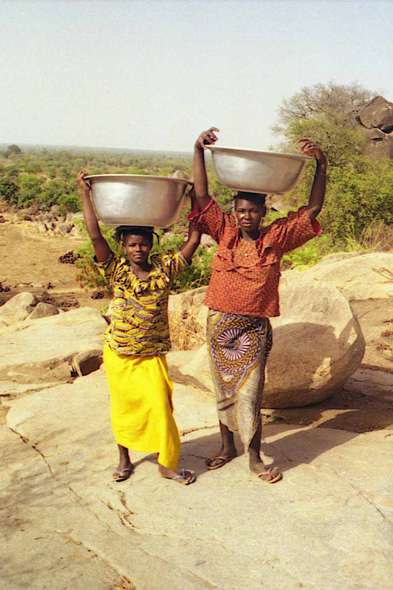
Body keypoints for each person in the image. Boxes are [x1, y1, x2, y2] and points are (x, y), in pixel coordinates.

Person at [190, 128, 327, 483]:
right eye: (239, 210)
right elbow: (202, 196)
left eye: (252, 210)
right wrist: (198, 151)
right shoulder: (224, 233)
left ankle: (253, 455)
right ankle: (226, 446)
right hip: (219, 323)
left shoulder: (275, 239)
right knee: (222, 389)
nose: (245, 216)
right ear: (233, 213)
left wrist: (321, 167)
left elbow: (312, 209)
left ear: (264, 212)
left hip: (253, 328)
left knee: (251, 393)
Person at [77, 171, 201, 485]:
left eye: (143, 244)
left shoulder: (165, 267)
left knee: (160, 406)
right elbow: (94, 236)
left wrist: (191, 198)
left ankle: (167, 464)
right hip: (120, 354)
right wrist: (84, 193)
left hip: (151, 356)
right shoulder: (116, 270)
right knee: (123, 408)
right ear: (124, 246)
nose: (138, 250)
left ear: (151, 245)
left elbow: (194, 239)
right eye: (132, 244)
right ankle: (124, 459)